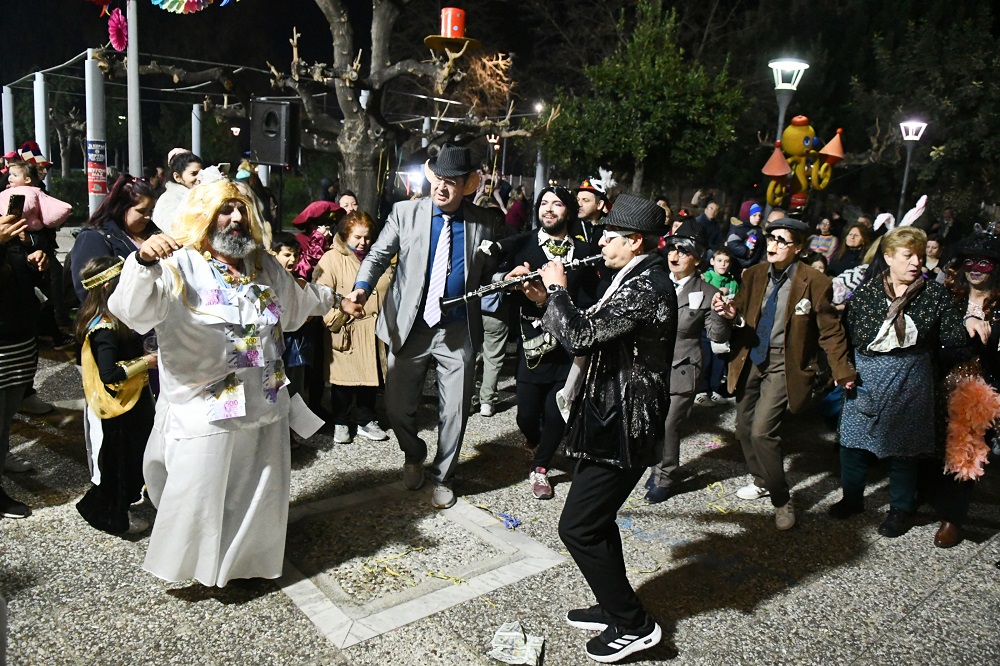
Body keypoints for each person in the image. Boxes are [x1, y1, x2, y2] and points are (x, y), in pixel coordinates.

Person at [108, 179, 338, 586]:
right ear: (203, 215)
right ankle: (199, 568)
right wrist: (142, 263)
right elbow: (133, 312)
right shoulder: (177, 264)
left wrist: (337, 300)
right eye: (225, 210)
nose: (236, 218)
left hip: (263, 401)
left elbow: (296, 304)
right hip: (204, 406)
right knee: (200, 493)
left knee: (257, 491)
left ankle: (246, 565)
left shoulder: (263, 264)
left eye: (242, 210)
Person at [521, 194, 675, 663]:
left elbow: (582, 335)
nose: (601, 242)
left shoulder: (647, 287)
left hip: (626, 424)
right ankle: (614, 605)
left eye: (610, 236)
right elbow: (591, 328)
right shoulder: (630, 278)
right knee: (596, 522)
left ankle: (635, 625)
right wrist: (545, 299)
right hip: (606, 417)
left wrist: (558, 290)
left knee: (578, 528)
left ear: (635, 241)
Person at [342, 145, 504, 509]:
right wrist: (362, 287)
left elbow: (491, 271)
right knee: (397, 406)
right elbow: (378, 256)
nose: (441, 188)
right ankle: (413, 454)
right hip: (409, 325)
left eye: (451, 182)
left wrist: (505, 277)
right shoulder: (405, 212)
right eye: (438, 179)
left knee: (456, 410)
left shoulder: (484, 222)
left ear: (467, 185)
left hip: (458, 329)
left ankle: (444, 475)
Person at [713, 216, 856, 531]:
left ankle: (781, 499)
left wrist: (842, 369)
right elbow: (741, 312)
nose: (773, 245)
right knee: (743, 428)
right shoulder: (753, 274)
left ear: (799, 248)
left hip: (784, 362)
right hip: (751, 356)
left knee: (762, 432)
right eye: (771, 238)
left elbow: (830, 331)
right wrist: (731, 314)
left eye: (782, 240)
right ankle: (761, 479)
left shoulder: (814, 281)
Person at [831, 227, 969, 538]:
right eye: (908, 255)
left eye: (919, 256)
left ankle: (900, 510)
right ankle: (851, 499)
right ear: (889, 257)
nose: (916, 262)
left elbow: (953, 339)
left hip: (911, 378)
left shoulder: (934, 295)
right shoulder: (866, 293)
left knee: (904, 451)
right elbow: (847, 335)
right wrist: (845, 371)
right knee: (852, 443)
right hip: (866, 375)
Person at [499, 186, 593, 499]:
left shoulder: (584, 252)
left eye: (557, 204)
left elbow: (590, 300)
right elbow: (499, 282)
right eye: (543, 203)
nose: (548, 209)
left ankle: (540, 468)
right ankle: (536, 440)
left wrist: (549, 299)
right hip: (533, 347)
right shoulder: (523, 243)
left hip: (567, 349)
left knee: (556, 413)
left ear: (570, 211)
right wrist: (507, 282)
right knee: (525, 416)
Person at [645, 222, 730, 503]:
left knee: (669, 425)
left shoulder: (708, 292)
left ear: (697, 258)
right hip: (651, 365)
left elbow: (717, 337)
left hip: (682, 368)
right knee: (652, 421)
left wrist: (722, 314)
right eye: (673, 248)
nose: (675, 255)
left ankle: (666, 476)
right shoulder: (656, 281)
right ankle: (656, 466)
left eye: (684, 251)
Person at [74, 256, 156, 535]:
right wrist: (146, 362)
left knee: (134, 455)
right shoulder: (104, 327)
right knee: (120, 460)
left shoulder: (117, 317)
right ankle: (109, 513)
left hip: (134, 400)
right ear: (109, 286)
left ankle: (126, 499)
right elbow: (108, 373)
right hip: (120, 406)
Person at [313, 211, 392, 444]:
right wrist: (334, 319)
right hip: (345, 327)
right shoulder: (331, 258)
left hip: (374, 328)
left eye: (367, 237)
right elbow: (320, 292)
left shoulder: (378, 258)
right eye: (357, 237)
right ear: (346, 234)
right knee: (343, 381)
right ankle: (341, 421)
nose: (363, 242)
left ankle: (367, 419)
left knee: (371, 378)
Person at [0, 213, 46, 518]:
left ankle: (2, 457)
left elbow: (23, 283)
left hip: (19, 341)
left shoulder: (8, 229)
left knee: (6, 419)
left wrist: (33, 261)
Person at [71, 176, 158, 303]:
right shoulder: (94, 237)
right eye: (141, 211)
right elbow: (88, 290)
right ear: (121, 208)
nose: (148, 217)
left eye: (151, 211)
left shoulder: (155, 233)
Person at [697, 246, 738, 406]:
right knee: (705, 359)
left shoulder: (732, 281)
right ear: (712, 261)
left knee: (719, 359)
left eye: (726, 261)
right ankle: (701, 391)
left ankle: (715, 390)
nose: (723, 264)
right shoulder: (705, 277)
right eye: (719, 260)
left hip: (724, 327)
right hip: (705, 326)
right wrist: (718, 291)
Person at [151, 150, 202, 236]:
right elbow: (176, 231)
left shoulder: (195, 195)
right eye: (193, 174)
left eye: (201, 173)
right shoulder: (168, 200)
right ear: (177, 177)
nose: (199, 178)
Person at [726, 202, 765, 273]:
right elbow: (732, 243)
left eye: (759, 215)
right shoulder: (739, 229)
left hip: (752, 264)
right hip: (739, 265)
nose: (758, 218)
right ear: (746, 215)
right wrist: (746, 251)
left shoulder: (758, 230)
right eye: (754, 215)